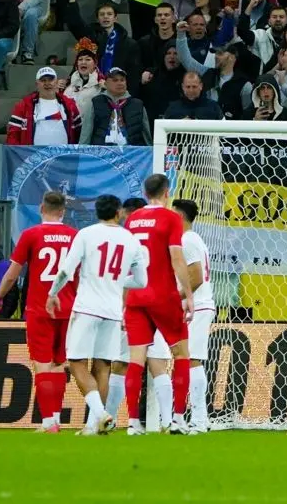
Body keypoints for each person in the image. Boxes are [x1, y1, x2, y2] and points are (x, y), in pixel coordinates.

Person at [48, 194, 146, 436]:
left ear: (97, 213)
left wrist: (53, 293)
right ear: (118, 213)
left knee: (76, 363)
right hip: (113, 312)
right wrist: (116, 280)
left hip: (86, 308)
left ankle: (100, 415)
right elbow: (142, 281)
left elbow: (66, 270)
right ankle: (93, 427)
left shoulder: (86, 234)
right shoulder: (131, 240)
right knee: (103, 366)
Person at [0, 192, 78, 432]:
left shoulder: (31, 234)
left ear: (41, 208)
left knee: (42, 364)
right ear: (63, 211)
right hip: (68, 308)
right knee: (59, 363)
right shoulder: (74, 236)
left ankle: (48, 421)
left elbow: (12, 274)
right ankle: (56, 418)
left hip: (40, 309)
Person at [121, 174, 195, 435]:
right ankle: (178, 419)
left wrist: (123, 302)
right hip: (163, 296)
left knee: (136, 360)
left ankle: (133, 423)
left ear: (145, 192)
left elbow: (127, 264)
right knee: (181, 354)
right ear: (167, 192)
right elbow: (177, 258)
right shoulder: (171, 218)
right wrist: (188, 295)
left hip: (135, 297)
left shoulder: (132, 219)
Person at [145, 199, 213, 434]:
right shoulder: (188, 239)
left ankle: (200, 419)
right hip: (184, 307)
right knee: (165, 357)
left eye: (173, 214)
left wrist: (174, 298)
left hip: (197, 306)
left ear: (180, 217)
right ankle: (171, 419)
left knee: (192, 359)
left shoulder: (188, 240)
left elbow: (197, 277)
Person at [6, 67, 82, 145]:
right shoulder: (24, 105)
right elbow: (13, 134)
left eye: (50, 80)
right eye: (43, 80)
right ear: (37, 84)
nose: (47, 83)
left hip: (63, 153)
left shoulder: (70, 104)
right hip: (32, 153)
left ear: (56, 82)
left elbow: (79, 132)